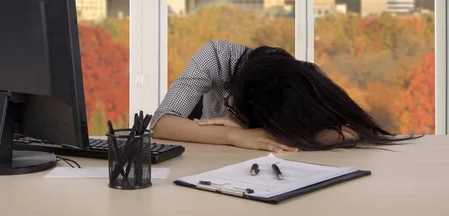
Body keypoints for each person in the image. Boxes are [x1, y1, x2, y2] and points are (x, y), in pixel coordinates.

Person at [150, 40, 418, 152]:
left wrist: (265, 132)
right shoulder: (217, 56)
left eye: (236, 111)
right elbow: (161, 124)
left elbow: (353, 130)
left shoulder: (308, 79)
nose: (229, 107)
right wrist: (235, 135)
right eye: (230, 106)